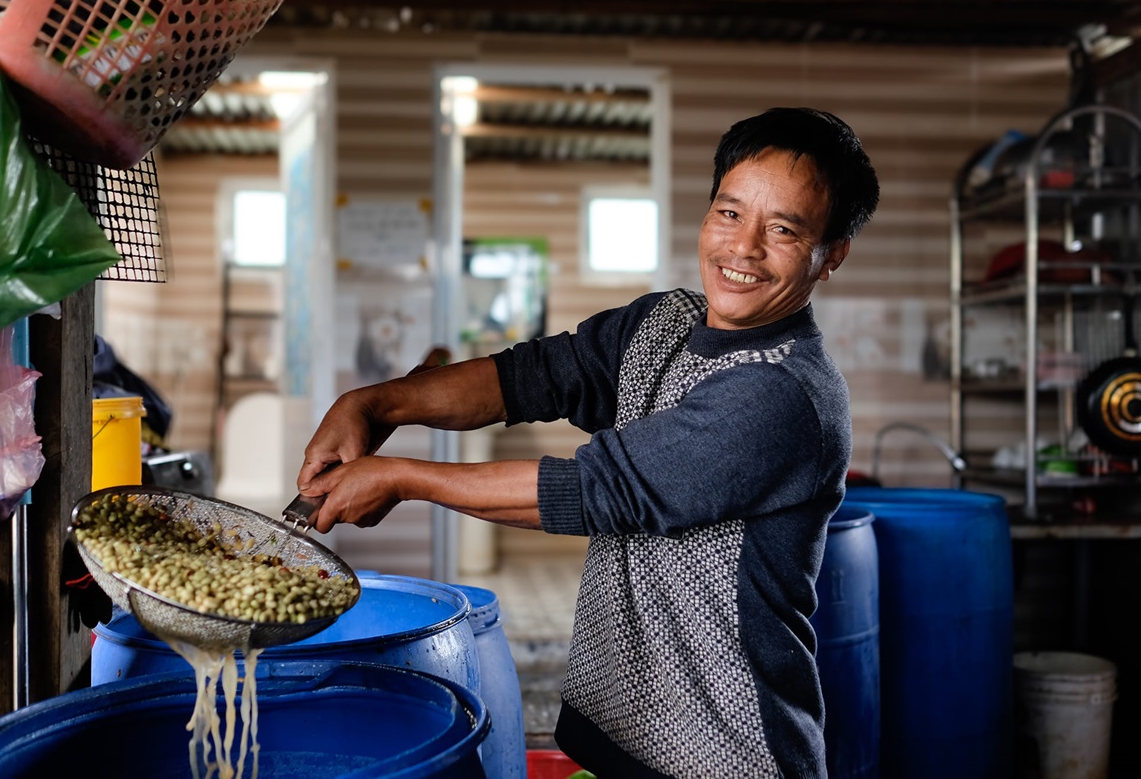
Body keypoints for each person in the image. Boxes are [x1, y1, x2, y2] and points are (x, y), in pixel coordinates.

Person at [296, 106, 880, 778]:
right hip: (620, 738)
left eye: (782, 230)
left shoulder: (782, 394)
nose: (742, 248)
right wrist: (373, 402)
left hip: (724, 753)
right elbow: (525, 378)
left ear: (830, 254)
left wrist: (399, 476)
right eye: (729, 213)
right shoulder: (662, 324)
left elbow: (594, 489)